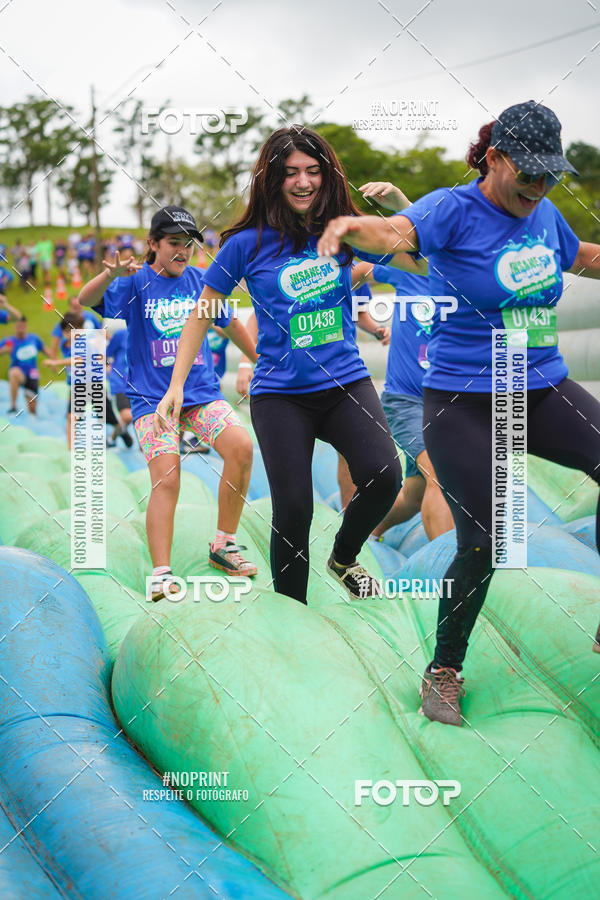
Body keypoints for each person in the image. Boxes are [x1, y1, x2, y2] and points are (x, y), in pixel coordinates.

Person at [318, 100, 600, 725]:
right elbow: (396, 234)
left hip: (538, 384)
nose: (538, 185)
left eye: (549, 174)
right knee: (485, 539)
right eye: (527, 172)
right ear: (493, 158)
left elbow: (583, 255)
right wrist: (349, 228)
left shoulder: (545, 214)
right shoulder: (452, 207)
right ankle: (444, 669)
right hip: (463, 401)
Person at [155, 127, 424, 605]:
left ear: (327, 175)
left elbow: (421, 262)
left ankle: (343, 558)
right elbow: (203, 311)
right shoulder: (247, 244)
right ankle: (292, 610)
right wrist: (176, 385)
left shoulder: (346, 231)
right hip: (280, 396)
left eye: (313, 171)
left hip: (345, 384)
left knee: (385, 475)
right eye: (291, 172)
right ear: (272, 178)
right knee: (295, 506)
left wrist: (402, 207)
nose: (303, 182)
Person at [79, 205, 260, 599]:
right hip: (152, 402)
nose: (183, 251)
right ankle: (162, 573)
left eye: (189, 245)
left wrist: (258, 361)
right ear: (153, 244)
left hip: (200, 396)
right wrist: (109, 274)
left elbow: (229, 325)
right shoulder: (135, 282)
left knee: (242, 447)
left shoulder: (200, 281)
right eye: (174, 243)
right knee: (168, 479)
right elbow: (83, 299)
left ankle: (223, 545)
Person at [351, 233, 454, 539]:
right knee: (438, 474)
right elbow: (362, 270)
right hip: (405, 401)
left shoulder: (468, 282)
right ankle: (447, 571)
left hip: (449, 403)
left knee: (414, 493)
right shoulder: (409, 270)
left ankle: (368, 533)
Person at [0, 316, 50, 415]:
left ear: (26, 326)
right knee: (14, 372)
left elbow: (46, 351)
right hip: (18, 373)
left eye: (22, 326)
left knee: (32, 409)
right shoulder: (9, 341)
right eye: (18, 326)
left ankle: (33, 415)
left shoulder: (34, 338)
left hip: (32, 375)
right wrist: (3, 350)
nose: (20, 329)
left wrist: (54, 362)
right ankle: (13, 406)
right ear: (14, 326)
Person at [106, 325, 133, 448]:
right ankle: (118, 433)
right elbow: (108, 354)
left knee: (139, 417)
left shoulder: (146, 334)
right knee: (127, 416)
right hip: (121, 383)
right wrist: (107, 367)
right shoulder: (121, 334)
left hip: (139, 384)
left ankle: (113, 437)